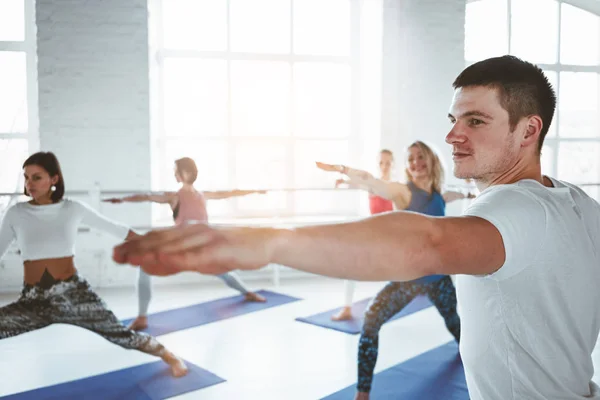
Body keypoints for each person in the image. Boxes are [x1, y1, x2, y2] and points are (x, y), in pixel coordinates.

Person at [112, 55, 600, 399]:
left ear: (528, 129)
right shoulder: (578, 203)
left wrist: (265, 242)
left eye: (475, 121)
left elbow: (425, 242)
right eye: (453, 119)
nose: (452, 135)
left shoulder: (513, 209)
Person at [0, 152, 187, 377]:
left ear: (54, 179)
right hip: (34, 300)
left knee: (121, 336)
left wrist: (150, 242)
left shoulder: (72, 209)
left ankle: (169, 355)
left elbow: (115, 228)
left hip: (75, 294)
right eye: (26, 178)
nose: (29, 184)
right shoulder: (17, 213)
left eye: (36, 177)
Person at [318, 140, 468, 399]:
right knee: (370, 323)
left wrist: (474, 195)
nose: (416, 163)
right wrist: (343, 169)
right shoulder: (403, 192)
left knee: (455, 323)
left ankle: (470, 357)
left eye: (421, 157)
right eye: (410, 159)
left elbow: (460, 194)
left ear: (431, 160)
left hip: (439, 278)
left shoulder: (439, 193)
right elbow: (371, 181)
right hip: (407, 279)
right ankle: (362, 394)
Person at [104, 157, 267, 331]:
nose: (174, 173)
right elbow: (146, 197)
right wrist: (123, 200)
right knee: (146, 267)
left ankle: (247, 293)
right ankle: (142, 318)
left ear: (186, 172)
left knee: (223, 272)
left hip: (199, 245)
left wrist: (254, 191)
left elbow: (230, 193)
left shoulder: (196, 195)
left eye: (176, 170)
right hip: (184, 245)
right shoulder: (178, 196)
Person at [329, 149, 395, 321]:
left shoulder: (395, 186)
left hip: (390, 236)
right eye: (381, 162)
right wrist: (343, 181)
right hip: (373, 234)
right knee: (352, 266)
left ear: (393, 164)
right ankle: (347, 308)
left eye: (388, 163)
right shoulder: (372, 183)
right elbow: (357, 184)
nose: (384, 166)